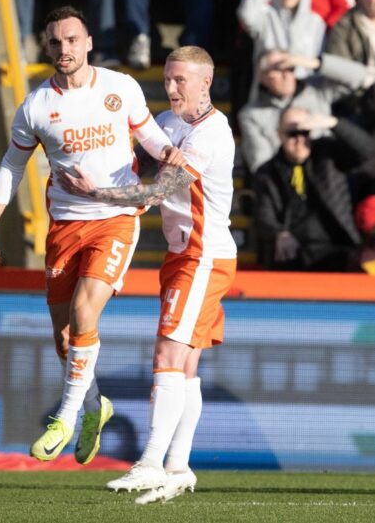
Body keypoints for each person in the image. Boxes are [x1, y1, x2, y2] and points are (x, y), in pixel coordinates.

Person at [0, 6, 184, 465]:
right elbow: (12, 165)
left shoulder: (120, 88)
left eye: (72, 40)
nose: (64, 49)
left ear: (88, 41)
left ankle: (66, 414)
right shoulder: (36, 106)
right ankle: (95, 406)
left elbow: (155, 144)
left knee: (84, 308)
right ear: (47, 47)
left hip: (114, 217)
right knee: (66, 335)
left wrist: (166, 164)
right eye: (55, 42)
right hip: (65, 226)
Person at [57, 46, 235, 504]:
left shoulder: (211, 132)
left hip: (203, 255)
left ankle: (150, 463)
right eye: (169, 79)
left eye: (181, 80)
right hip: (184, 255)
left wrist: (96, 191)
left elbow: (161, 190)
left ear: (205, 82)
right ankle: (178, 465)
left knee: (168, 354)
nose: (171, 87)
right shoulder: (170, 126)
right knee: (188, 365)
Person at [253, 107, 364, 271]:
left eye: (304, 133)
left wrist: (334, 123)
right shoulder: (268, 172)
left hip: (337, 247)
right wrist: (279, 233)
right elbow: (263, 215)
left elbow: (367, 151)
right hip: (294, 252)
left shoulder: (327, 155)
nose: (299, 140)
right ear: (279, 135)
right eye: (292, 134)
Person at [238, 49, 367, 171]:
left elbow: (359, 77)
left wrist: (314, 63)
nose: (286, 74)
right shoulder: (252, 115)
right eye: (278, 69)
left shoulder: (315, 90)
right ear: (262, 76)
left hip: (328, 170)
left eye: (290, 67)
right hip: (285, 179)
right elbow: (260, 164)